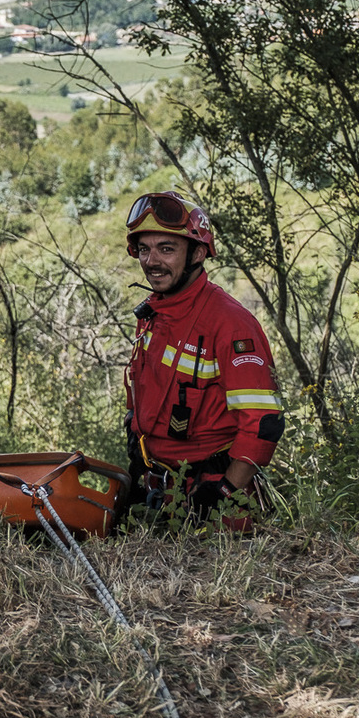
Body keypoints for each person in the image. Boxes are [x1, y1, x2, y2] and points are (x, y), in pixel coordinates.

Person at [124, 191, 284, 525]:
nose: (152, 261)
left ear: (197, 253)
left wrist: (221, 494)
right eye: (144, 249)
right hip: (161, 495)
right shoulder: (154, 313)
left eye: (166, 249)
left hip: (217, 506)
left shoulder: (230, 323)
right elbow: (143, 392)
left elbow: (264, 424)